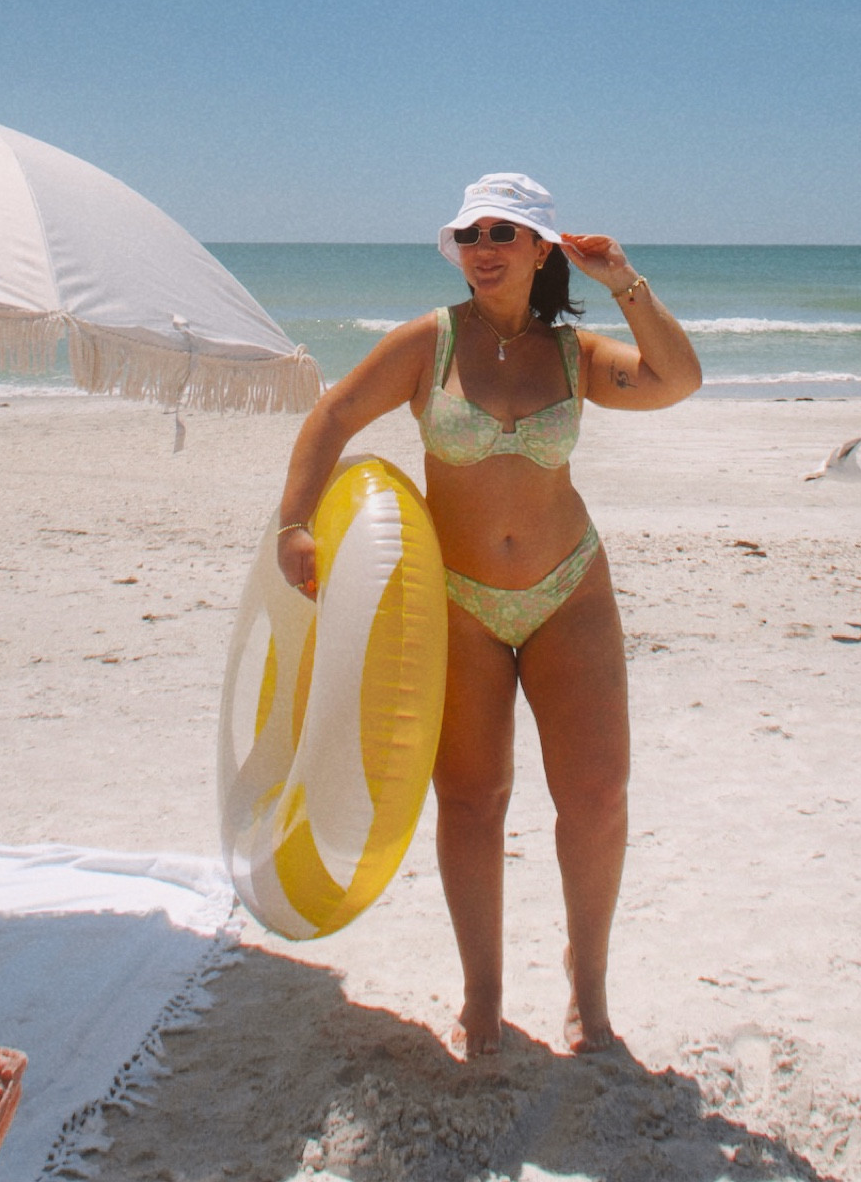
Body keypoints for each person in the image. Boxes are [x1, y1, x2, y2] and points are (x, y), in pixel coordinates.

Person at [275, 173, 702, 1059]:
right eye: (469, 234)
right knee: (472, 801)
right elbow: (334, 413)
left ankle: (588, 989)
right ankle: (484, 994)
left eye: (502, 233)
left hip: (568, 590)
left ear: (541, 249)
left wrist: (623, 281)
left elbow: (676, 379)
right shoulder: (427, 344)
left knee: (596, 797)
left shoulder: (575, 354)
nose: (481, 249)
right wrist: (293, 524)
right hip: (459, 602)